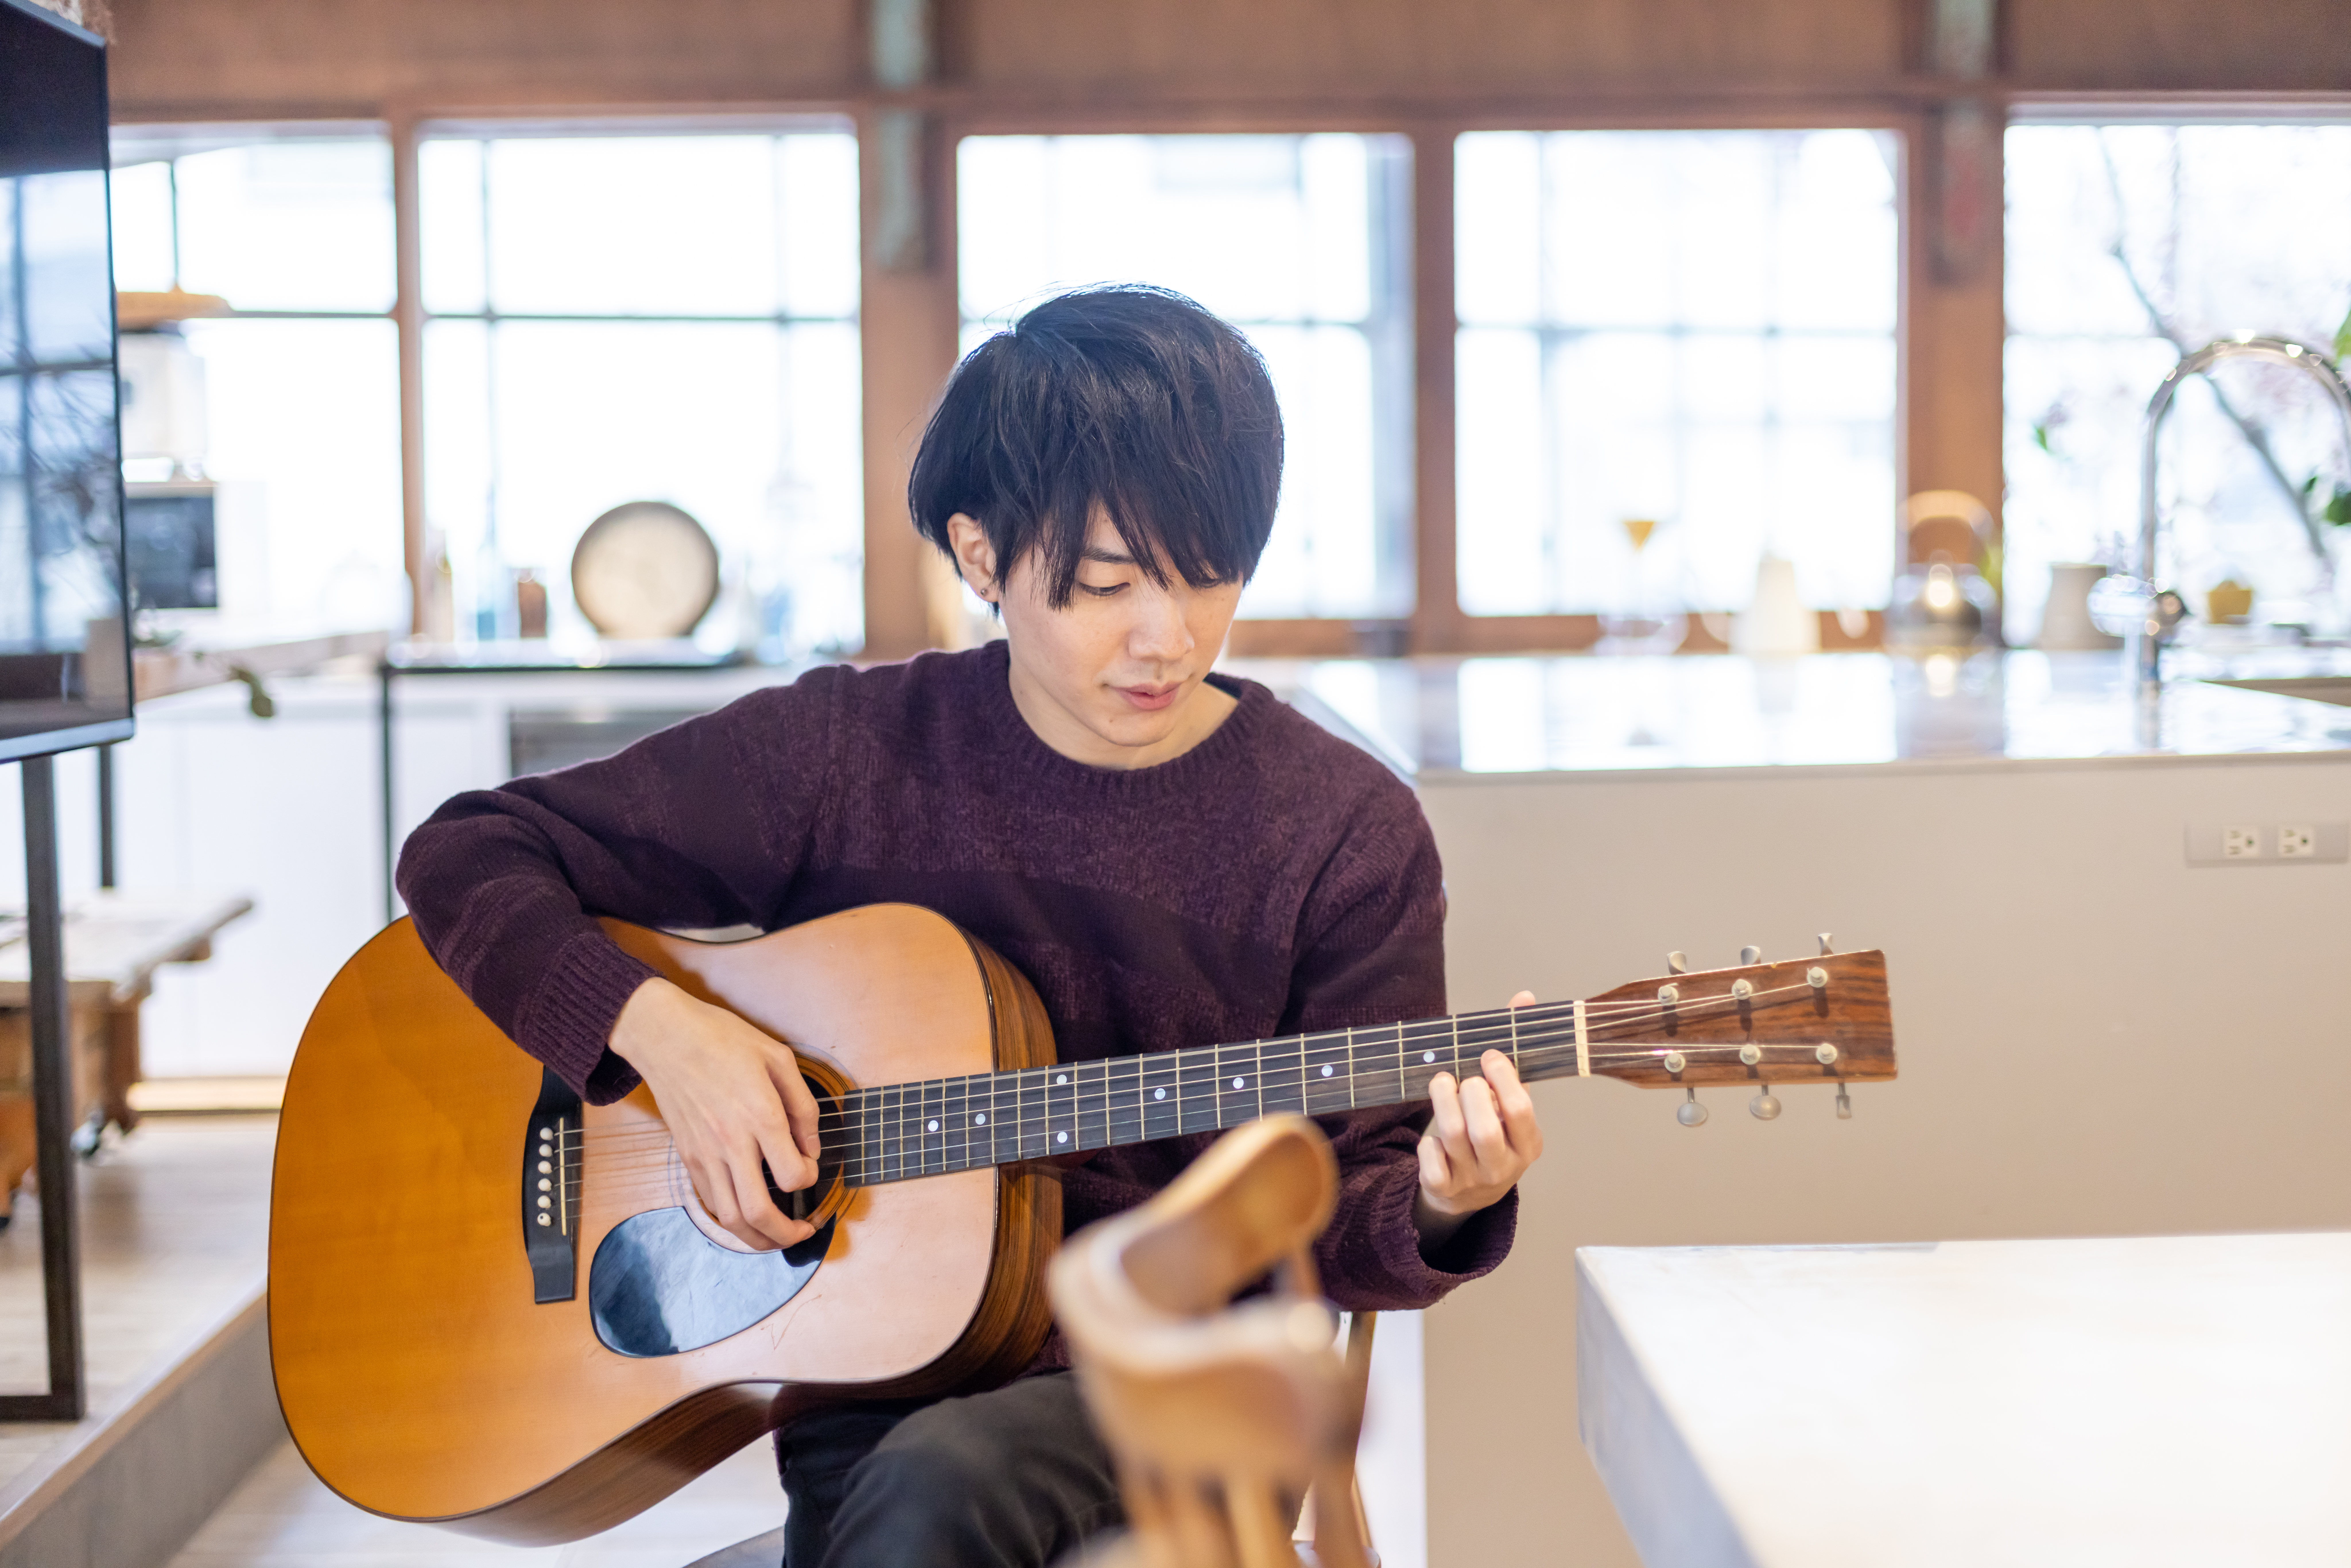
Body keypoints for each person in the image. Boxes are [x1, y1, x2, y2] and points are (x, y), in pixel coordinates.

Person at [396, 284, 1545, 1568]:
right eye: (1107, 584)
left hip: (1175, 1397)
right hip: (877, 1384)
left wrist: (1443, 1201)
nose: (1165, 638)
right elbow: (463, 853)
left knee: (937, 1488)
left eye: (1209, 574)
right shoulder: (848, 756)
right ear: (982, 555)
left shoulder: (1338, 827)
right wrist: (665, 1039)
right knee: (915, 1481)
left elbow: (1343, 1223)